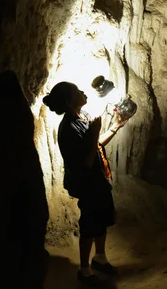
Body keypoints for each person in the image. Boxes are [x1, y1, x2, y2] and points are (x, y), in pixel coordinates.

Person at [43, 81, 128, 286]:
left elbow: (96, 145)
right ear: (70, 102)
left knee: (102, 219)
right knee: (90, 225)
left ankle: (100, 258)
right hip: (86, 183)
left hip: (99, 179)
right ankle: (84, 270)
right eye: (77, 92)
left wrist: (115, 127)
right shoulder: (68, 129)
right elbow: (87, 161)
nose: (83, 92)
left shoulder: (85, 117)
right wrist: (95, 133)